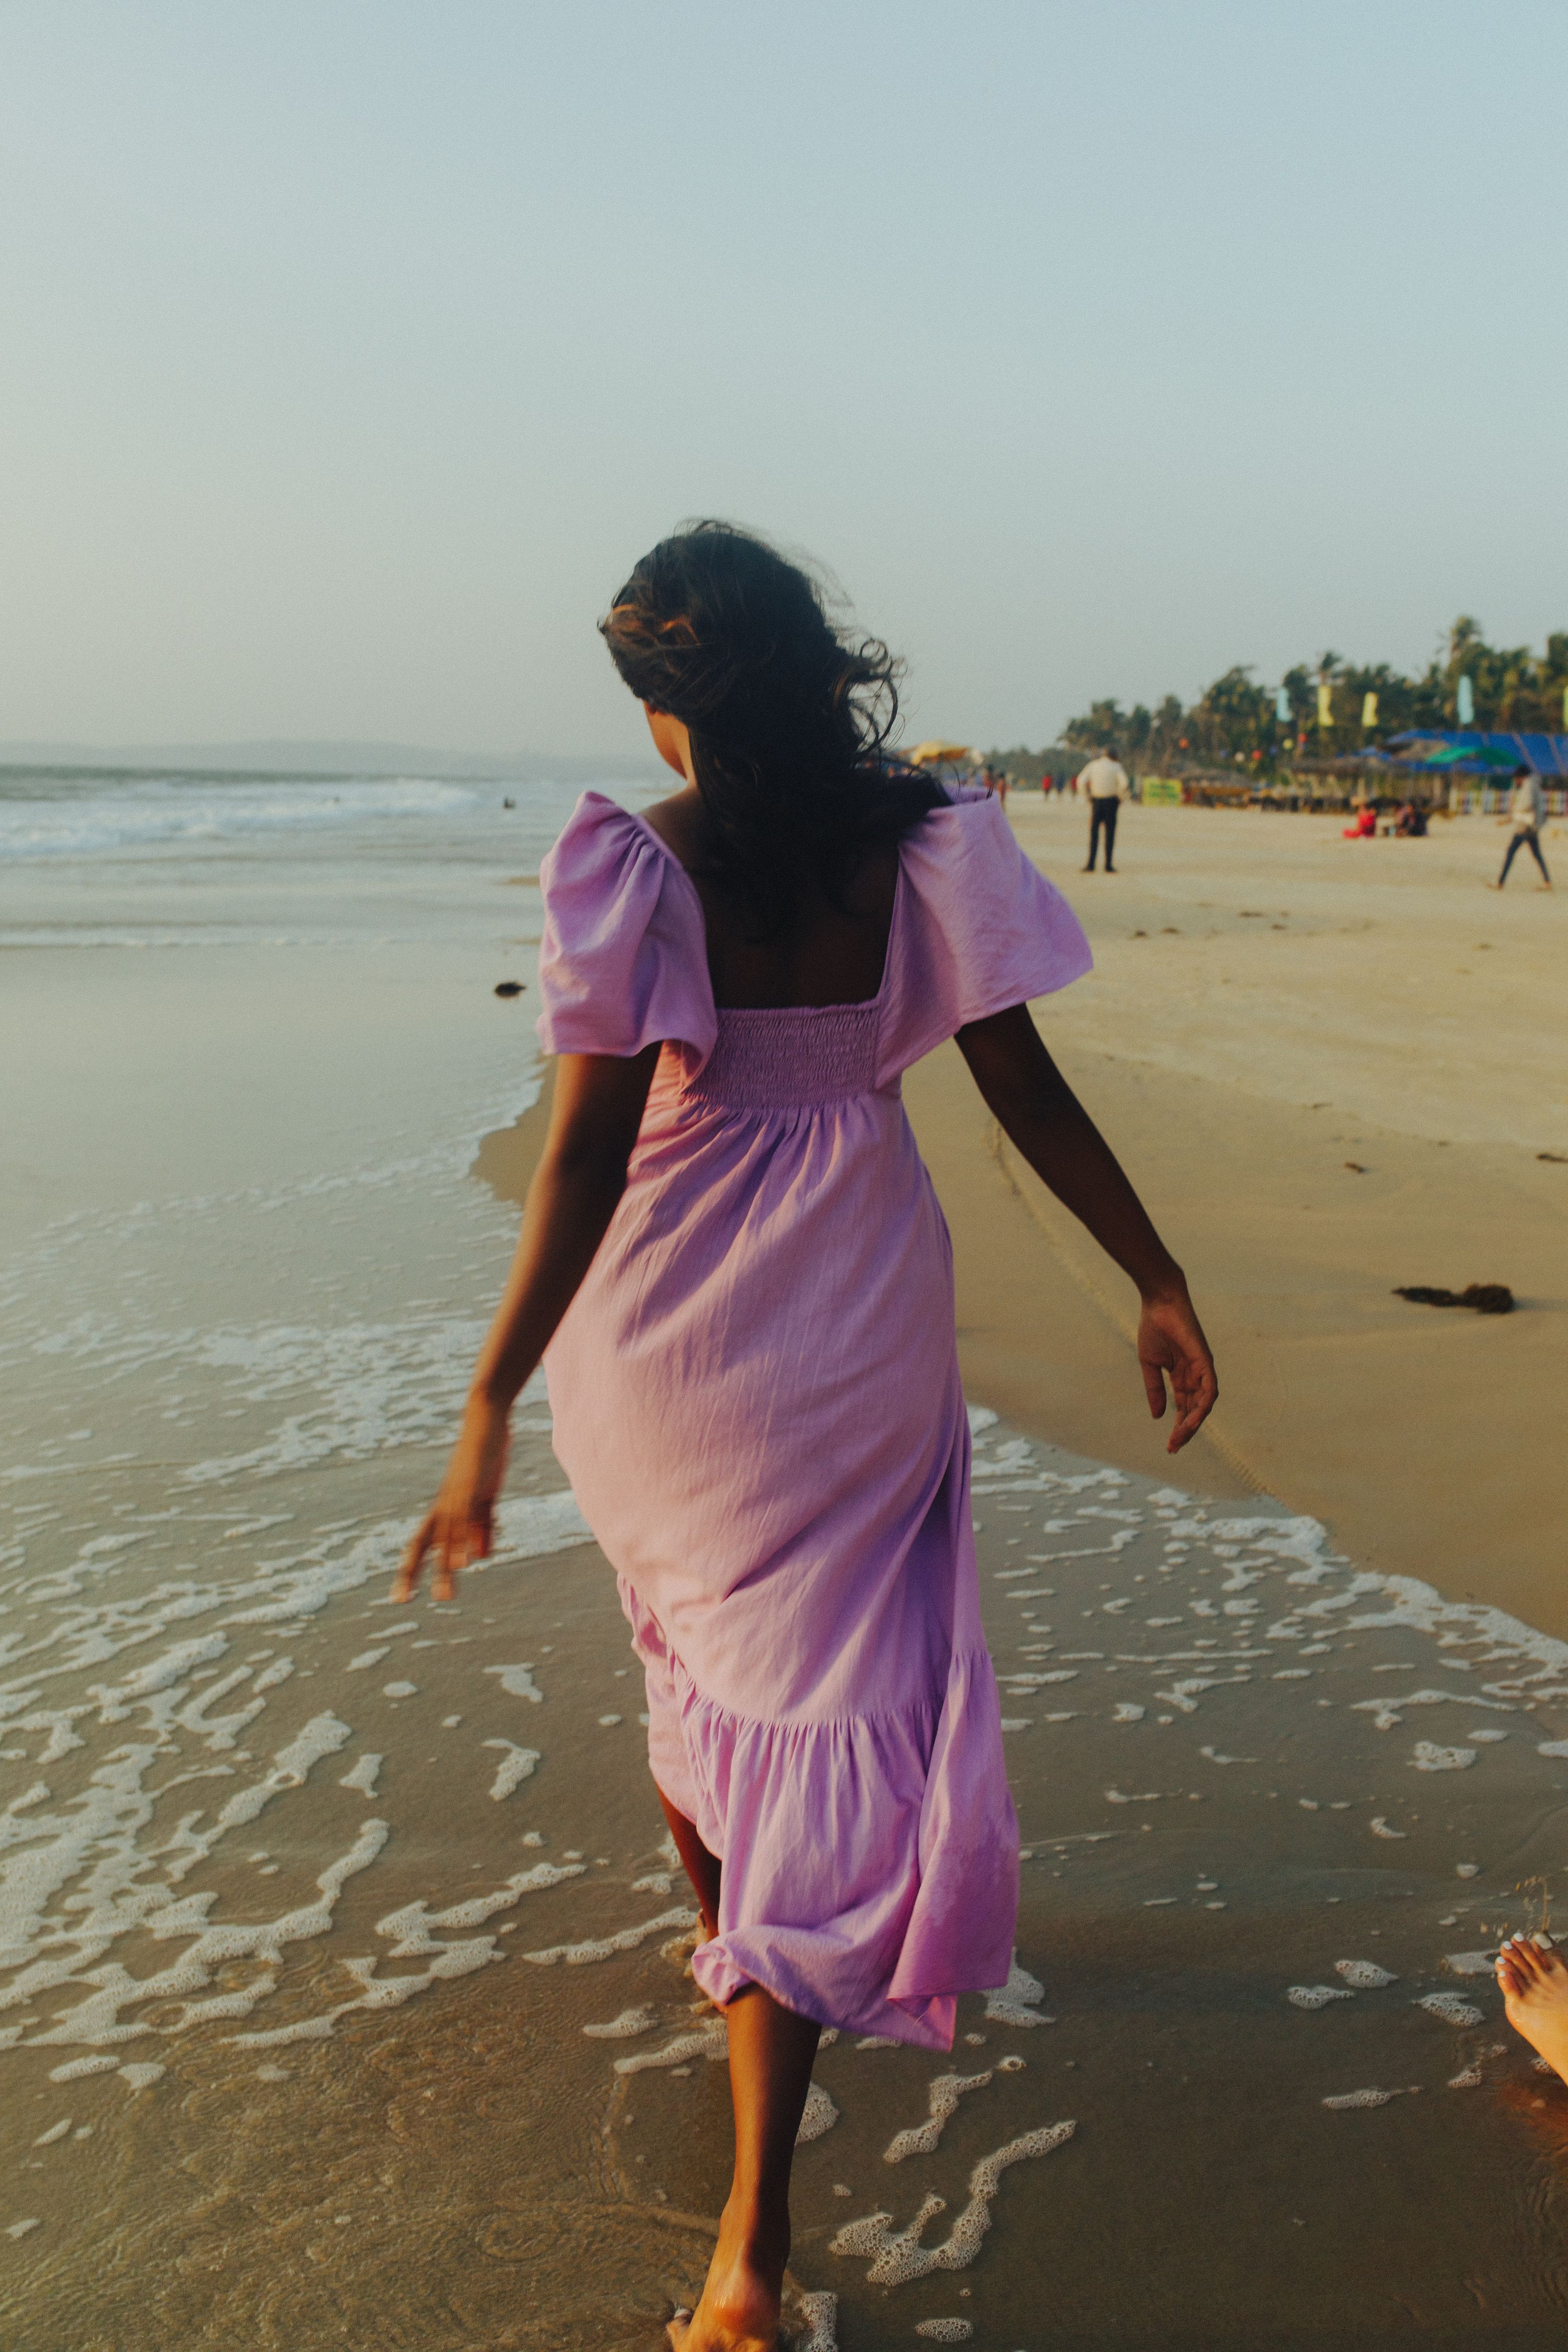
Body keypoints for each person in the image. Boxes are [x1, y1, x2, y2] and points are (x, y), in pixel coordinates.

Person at [395, 523, 1217, 2352]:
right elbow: (1020, 1083)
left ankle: (749, 2246)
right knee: (799, 1689)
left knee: (703, 1675)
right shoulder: (919, 835)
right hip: (856, 1328)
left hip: (669, 1347)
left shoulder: (638, 863)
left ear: (677, 710)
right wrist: (1153, 1273)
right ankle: (752, 1975)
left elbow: (587, 1158)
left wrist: (486, 1401)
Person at [1496, 765, 1551, 888]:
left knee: (1511, 852)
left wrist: (1509, 817)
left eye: (1516, 778)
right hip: (1533, 825)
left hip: (1526, 826)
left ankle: (1500, 883)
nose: (1516, 781)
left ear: (1521, 777)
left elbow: (1526, 805)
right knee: (1537, 854)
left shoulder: (1528, 786)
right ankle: (1548, 882)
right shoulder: (1534, 784)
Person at [1076, 745, 1130, 871]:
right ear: (1113, 756)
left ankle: (1091, 864)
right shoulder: (1116, 767)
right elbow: (1125, 784)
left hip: (1097, 801)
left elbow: (1081, 781)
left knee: (1094, 834)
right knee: (1110, 834)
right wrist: (1121, 798)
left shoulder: (1093, 765)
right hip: (1111, 802)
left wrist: (1088, 797)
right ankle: (1108, 865)